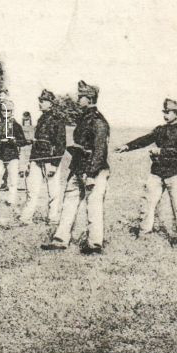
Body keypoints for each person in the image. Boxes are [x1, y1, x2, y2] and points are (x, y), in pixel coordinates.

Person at [42, 80, 110, 255]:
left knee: (93, 206)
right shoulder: (84, 118)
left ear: (90, 99)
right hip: (78, 167)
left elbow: (100, 150)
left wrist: (92, 174)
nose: (78, 99)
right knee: (69, 204)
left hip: (93, 170)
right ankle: (60, 240)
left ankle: (95, 244)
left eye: (81, 97)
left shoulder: (98, 121)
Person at [115, 98, 177, 241]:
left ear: (176, 114)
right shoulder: (160, 129)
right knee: (148, 203)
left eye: (168, 112)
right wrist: (127, 146)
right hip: (156, 172)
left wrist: (161, 151)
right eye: (164, 112)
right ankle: (144, 233)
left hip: (173, 174)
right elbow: (145, 139)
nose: (165, 115)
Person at [19, 89, 67, 225]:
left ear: (51, 103)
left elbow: (61, 144)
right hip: (37, 159)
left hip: (50, 160)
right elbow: (36, 142)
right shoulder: (40, 120)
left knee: (53, 191)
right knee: (32, 189)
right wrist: (30, 161)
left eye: (43, 101)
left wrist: (55, 164)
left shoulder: (57, 120)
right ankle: (26, 218)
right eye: (40, 101)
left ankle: (52, 218)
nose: (40, 103)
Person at [0, 103, 27, 207]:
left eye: (8, 111)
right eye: (3, 111)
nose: (5, 113)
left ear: (12, 112)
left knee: (13, 179)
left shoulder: (16, 126)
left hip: (12, 155)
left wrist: (14, 141)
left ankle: (11, 200)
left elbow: (23, 141)